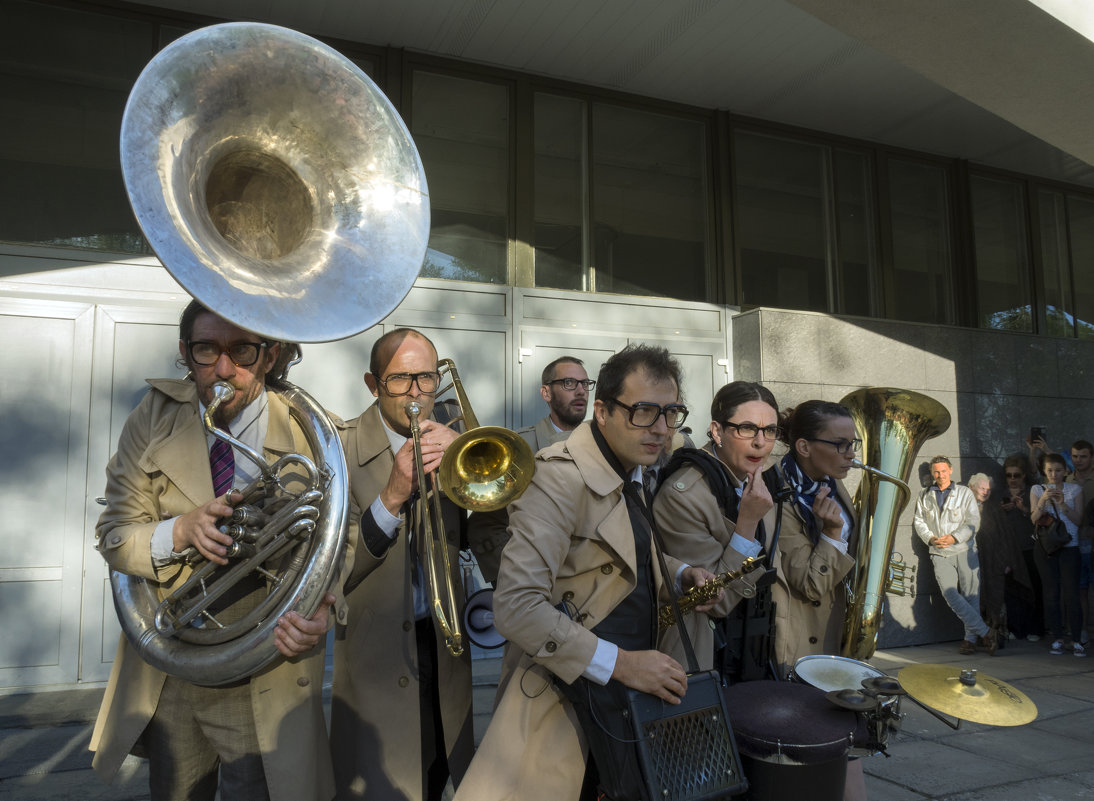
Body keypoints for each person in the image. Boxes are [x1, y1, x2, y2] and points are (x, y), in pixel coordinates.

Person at [89, 300, 337, 801]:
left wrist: (326, 604)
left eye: (241, 350)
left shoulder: (313, 431)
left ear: (268, 355)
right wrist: (179, 530)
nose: (224, 369)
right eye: (207, 350)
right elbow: (115, 533)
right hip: (171, 664)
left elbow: (341, 536)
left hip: (265, 667)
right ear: (185, 352)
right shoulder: (153, 416)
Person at [452, 344, 719, 801]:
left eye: (671, 412)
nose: (660, 429)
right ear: (602, 411)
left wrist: (680, 574)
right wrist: (624, 664)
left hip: (630, 705)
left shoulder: (632, 467)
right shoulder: (557, 477)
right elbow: (516, 608)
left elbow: (625, 551)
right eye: (643, 412)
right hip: (567, 705)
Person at [330, 328, 474, 801]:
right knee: (382, 783)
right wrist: (392, 495)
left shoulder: (458, 435)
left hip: (444, 643)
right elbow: (333, 574)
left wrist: (467, 464)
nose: (415, 394)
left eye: (426, 379)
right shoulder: (341, 450)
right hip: (378, 650)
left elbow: (497, 533)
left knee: (437, 771)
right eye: (399, 381)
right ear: (373, 385)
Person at [652, 381, 780, 676]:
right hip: (704, 657)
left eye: (770, 430)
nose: (760, 442)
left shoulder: (766, 475)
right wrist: (747, 523)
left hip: (756, 649)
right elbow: (713, 602)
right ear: (717, 431)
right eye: (746, 428)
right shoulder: (683, 494)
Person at [467, 355, 591, 585]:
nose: (581, 391)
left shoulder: (603, 445)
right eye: (569, 383)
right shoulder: (518, 449)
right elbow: (483, 525)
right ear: (546, 393)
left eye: (585, 384)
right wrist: (518, 577)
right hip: (540, 587)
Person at [913, 456, 995, 655]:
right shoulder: (924, 495)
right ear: (932, 473)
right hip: (939, 552)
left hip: (965, 550)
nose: (940, 475)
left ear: (950, 470)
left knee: (971, 597)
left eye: (943, 471)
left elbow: (973, 521)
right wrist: (931, 539)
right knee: (950, 593)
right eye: (936, 472)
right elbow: (919, 522)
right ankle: (986, 632)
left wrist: (954, 538)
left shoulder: (965, 493)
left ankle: (969, 640)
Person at [1030, 453, 1086, 657]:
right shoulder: (1037, 489)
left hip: (1070, 546)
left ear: (1065, 471)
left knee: (1072, 594)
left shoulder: (1075, 490)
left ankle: (1077, 639)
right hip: (1046, 549)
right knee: (1051, 594)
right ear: (1044, 472)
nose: (1054, 475)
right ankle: (1057, 638)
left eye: (1058, 470)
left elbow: (1078, 520)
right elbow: (1034, 518)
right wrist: (1043, 501)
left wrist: (1062, 504)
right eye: (1050, 471)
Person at [967, 472, 1030, 646]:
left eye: (988, 489)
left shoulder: (994, 509)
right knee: (974, 598)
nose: (986, 492)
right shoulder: (963, 506)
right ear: (971, 487)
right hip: (970, 560)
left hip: (994, 562)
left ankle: (996, 636)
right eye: (982, 488)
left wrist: (1007, 562)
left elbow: (1005, 538)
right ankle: (976, 636)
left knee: (995, 599)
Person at [1000, 455, 1043, 640]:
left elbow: (1038, 519)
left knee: (1033, 588)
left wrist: (1023, 509)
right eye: (1009, 475)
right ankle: (1014, 628)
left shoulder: (1032, 492)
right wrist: (1002, 510)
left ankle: (1035, 628)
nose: (1012, 479)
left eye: (1016, 475)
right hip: (1008, 550)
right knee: (1012, 591)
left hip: (1029, 547)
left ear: (1024, 475)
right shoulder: (1000, 494)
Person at [1067, 440, 1093, 645]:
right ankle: (1083, 628)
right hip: (1076, 542)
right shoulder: (1066, 480)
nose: (1079, 460)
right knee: (1081, 589)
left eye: (1083, 456)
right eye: (1075, 456)